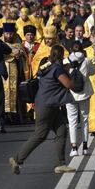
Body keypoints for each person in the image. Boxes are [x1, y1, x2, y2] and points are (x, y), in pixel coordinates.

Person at [9, 45, 78, 175]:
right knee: (40, 135)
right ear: (62, 55)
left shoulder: (47, 66)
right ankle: (17, 159)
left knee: (61, 130)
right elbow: (69, 85)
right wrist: (70, 72)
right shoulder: (58, 69)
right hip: (48, 106)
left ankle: (60, 164)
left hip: (47, 104)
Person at [66, 41, 95, 156]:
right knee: (84, 120)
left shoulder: (66, 61)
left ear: (71, 50)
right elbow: (93, 72)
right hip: (84, 93)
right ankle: (85, 146)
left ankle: (74, 148)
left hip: (71, 94)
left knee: (72, 121)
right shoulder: (86, 61)